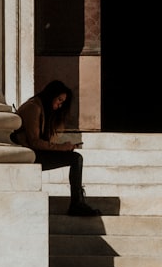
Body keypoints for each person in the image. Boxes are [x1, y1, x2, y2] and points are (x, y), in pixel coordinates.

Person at [11, 80, 100, 216]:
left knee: (76, 158)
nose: (59, 105)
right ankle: (77, 204)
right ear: (50, 95)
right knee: (76, 158)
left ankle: (78, 202)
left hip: (34, 153)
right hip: (28, 154)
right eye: (59, 100)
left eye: (62, 102)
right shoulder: (33, 107)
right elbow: (34, 142)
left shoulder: (42, 109)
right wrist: (62, 148)